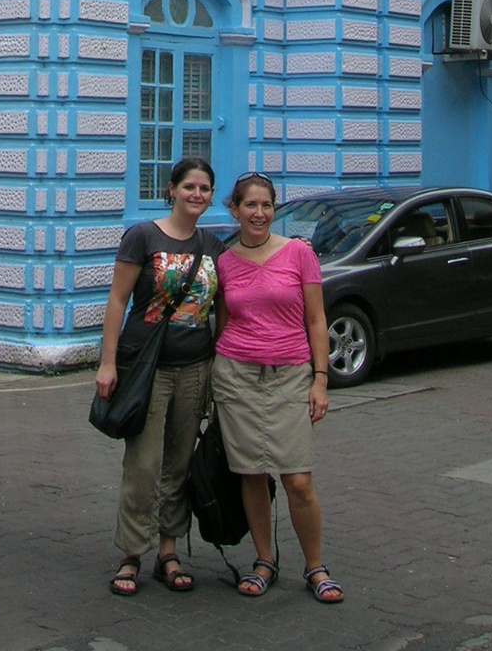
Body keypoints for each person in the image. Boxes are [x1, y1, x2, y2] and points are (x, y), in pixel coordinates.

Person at [94, 157, 225, 596]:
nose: (197, 195)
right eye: (189, 186)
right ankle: (132, 552)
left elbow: (221, 312)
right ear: (171, 189)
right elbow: (117, 301)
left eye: (205, 189)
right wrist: (107, 363)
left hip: (195, 367)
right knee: (144, 463)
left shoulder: (213, 246)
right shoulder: (142, 237)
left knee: (180, 463)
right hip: (146, 368)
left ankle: (168, 551)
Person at [212, 172, 343, 604]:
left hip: (290, 375)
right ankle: (264, 560)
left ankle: (315, 565)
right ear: (235, 209)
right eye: (250, 205)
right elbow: (224, 323)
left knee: (298, 479)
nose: (259, 213)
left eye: (267, 205)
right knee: (251, 474)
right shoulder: (226, 261)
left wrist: (320, 379)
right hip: (238, 376)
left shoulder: (298, 254)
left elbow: (316, 321)